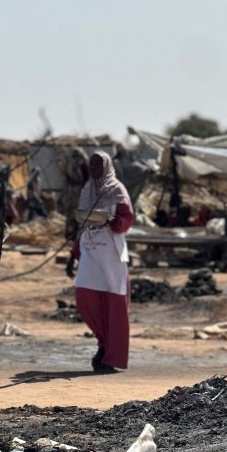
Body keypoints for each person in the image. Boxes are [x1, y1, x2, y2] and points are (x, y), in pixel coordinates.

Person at [66, 151, 135, 373]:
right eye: (91, 164)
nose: (93, 168)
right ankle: (102, 341)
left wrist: (114, 220)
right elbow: (83, 225)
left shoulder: (117, 189)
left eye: (97, 164)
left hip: (111, 254)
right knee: (86, 299)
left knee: (113, 304)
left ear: (106, 166)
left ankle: (110, 353)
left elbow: (127, 219)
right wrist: (72, 254)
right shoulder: (87, 190)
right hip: (90, 252)